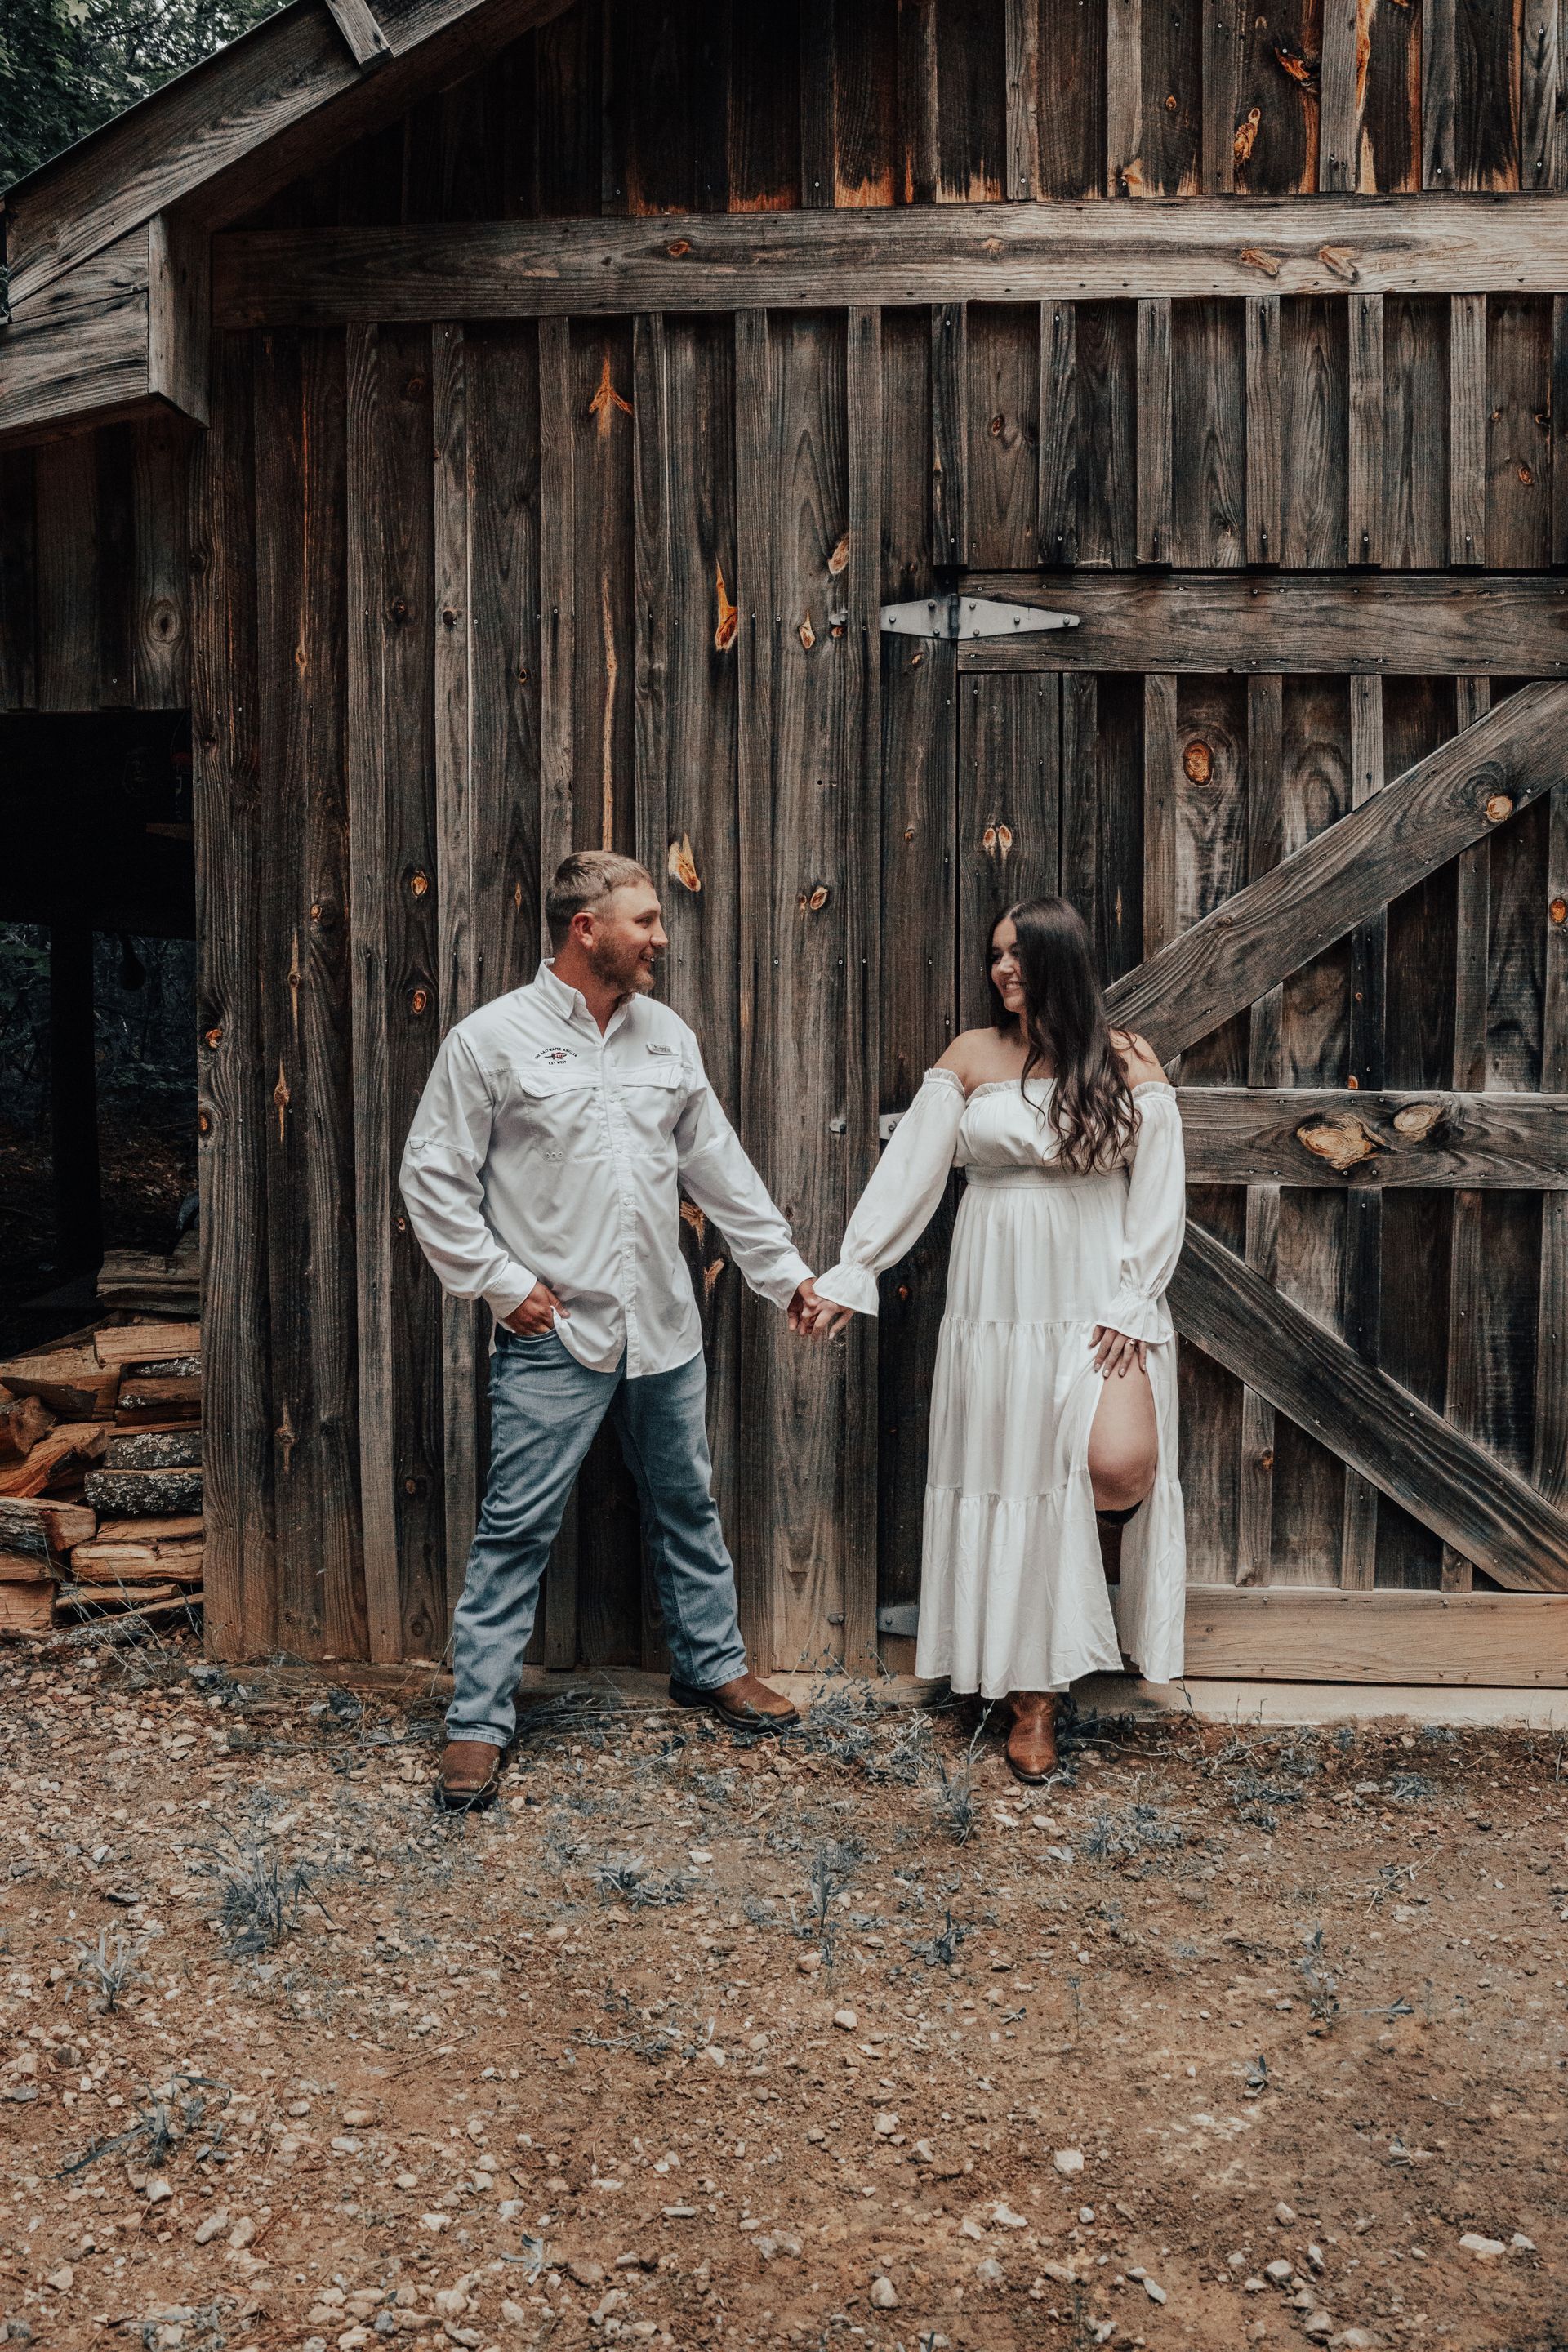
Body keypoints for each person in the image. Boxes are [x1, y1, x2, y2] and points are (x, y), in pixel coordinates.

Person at [400, 849, 825, 1811]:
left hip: (663, 1328)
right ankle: (477, 1721)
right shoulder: (491, 1040)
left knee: (687, 1500)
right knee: (516, 1525)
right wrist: (503, 1286)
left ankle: (711, 1667)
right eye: (644, 921)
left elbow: (719, 1167)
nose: (661, 939)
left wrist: (784, 1273)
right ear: (584, 928)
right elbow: (431, 1177)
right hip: (557, 1333)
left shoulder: (666, 1036)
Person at [801, 896, 1187, 1781]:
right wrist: (851, 1272)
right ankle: (1033, 1698)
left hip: (1100, 1291)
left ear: (1061, 960)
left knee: (1119, 1464)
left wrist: (1134, 1299)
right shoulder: (973, 1057)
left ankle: (1063, 1622)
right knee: (1014, 1475)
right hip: (997, 1297)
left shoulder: (1128, 1060)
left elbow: (1161, 1189)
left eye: (1018, 956)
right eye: (995, 957)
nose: (1002, 970)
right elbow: (911, 1176)